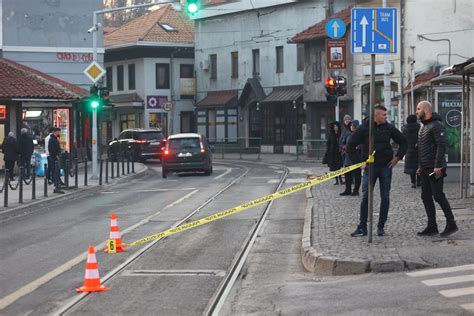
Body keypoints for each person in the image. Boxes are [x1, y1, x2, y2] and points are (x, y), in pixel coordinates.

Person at [347, 105, 407, 237]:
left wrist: (397, 158)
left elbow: (403, 141)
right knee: (366, 197)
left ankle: (381, 226)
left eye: (386, 115)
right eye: (384, 115)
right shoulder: (364, 128)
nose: (386, 117)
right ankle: (362, 226)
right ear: (376, 115)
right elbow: (350, 145)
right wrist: (359, 163)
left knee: (385, 197)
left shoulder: (389, 127)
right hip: (370, 167)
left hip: (386, 166)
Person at [416, 101, 458, 237]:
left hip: (436, 168)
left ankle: (451, 223)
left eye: (418, 109)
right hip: (425, 168)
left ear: (426, 110)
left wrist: (438, 165)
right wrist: (420, 167)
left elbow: (442, 145)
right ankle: (432, 226)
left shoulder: (437, 125)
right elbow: (423, 148)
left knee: (438, 195)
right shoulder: (424, 126)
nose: (416, 111)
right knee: (425, 196)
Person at [340, 120, 362, 196]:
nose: (351, 126)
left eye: (353, 125)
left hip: (356, 157)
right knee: (347, 175)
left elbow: (362, 144)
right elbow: (342, 143)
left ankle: (356, 190)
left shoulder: (360, 135)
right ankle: (347, 189)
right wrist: (344, 147)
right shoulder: (348, 134)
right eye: (351, 125)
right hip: (348, 157)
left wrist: (358, 147)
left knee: (357, 175)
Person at [402, 115, 421, 188]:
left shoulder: (404, 128)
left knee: (411, 167)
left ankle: (413, 182)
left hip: (409, 149)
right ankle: (419, 181)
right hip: (418, 149)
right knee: (418, 165)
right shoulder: (419, 127)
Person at [48, 128, 64, 194]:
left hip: (55, 157)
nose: (59, 133)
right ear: (55, 132)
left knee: (56, 171)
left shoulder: (54, 139)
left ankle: (57, 185)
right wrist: (56, 155)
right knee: (55, 171)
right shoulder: (52, 139)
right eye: (58, 132)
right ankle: (56, 186)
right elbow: (52, 149)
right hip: (54, 158)